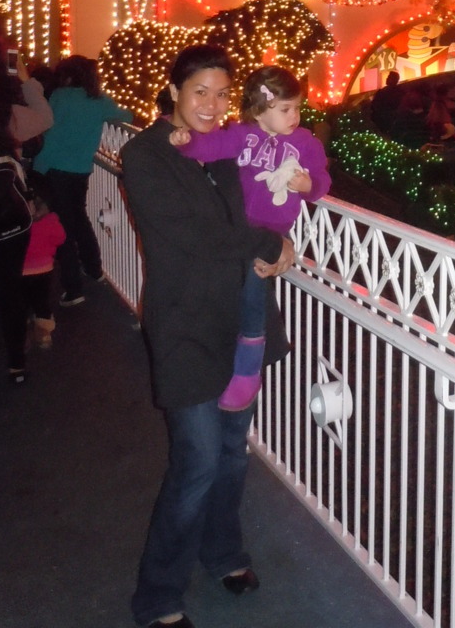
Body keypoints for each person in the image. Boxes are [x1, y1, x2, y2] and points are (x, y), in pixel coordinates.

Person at [121, 45, 295, 628]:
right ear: (174, 91)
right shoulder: (145, 155)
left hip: (241, 322)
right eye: (200, 92)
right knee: (196, 460)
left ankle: (222, 551)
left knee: (231, 452)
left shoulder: (227, 149)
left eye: (222, 95)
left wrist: (282, 232)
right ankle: (158, 596)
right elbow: (195, 235)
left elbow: (260, 203)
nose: (212, 105)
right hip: (185, 325)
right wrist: (269, 243)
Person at [169, 64, 330, 411]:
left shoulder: (305, 142)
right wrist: (187, 142)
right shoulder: (241, 135)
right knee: (234, 286)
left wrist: (310, 185)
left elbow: (321, 179)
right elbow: (211, 146)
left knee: (255, 288)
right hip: (237, 226)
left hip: (272, 230)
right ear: (259, 110)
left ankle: (248, 369)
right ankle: (229, 347)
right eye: (285, 109)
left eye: (297, 108)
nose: (295, 116)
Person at [34, 54, 131, 306]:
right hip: (81, 169)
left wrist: (37, 169)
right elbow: (127, 116)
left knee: (63, 226)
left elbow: (48, 130)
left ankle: (73, 288)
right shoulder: (99, 100)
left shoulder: (60, 96)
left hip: (56, 168)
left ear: (68, 75)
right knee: (79, 218)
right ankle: (94, 268)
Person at [0, 38, 53, 384]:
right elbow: (44, 118)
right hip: (9, 217)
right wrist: (26, 80)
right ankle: (16, 363)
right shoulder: (4, 115)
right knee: (9, 288)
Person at [21, 181, 65, 349]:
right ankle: (44, 334)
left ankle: (22, 336)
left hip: (21, 270)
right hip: (44, 270)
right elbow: (60, 239)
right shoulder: (50, 222)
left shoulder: (20, 225)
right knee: (42, 301)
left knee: (21, 302)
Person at [370, 69, 402, 134]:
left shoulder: (391, 92)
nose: (387, 79)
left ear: (395, 80)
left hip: (386, 120)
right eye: (388, 77)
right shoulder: (398, 91)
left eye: (389, 77)